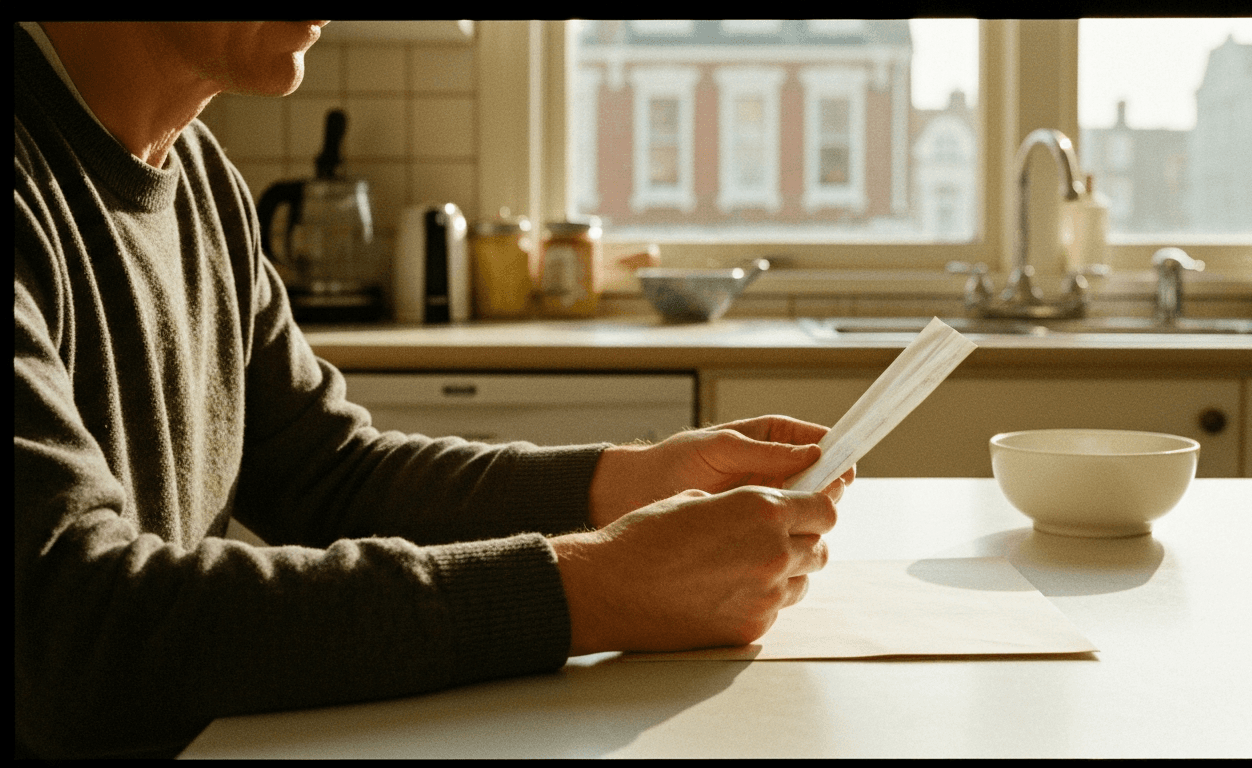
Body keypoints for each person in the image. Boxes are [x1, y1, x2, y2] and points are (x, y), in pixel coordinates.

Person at [13, 22, 853, 759]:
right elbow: (72, 629)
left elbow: (329, 473)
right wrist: (593, 589)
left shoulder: (199, 175)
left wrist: (624, 483)